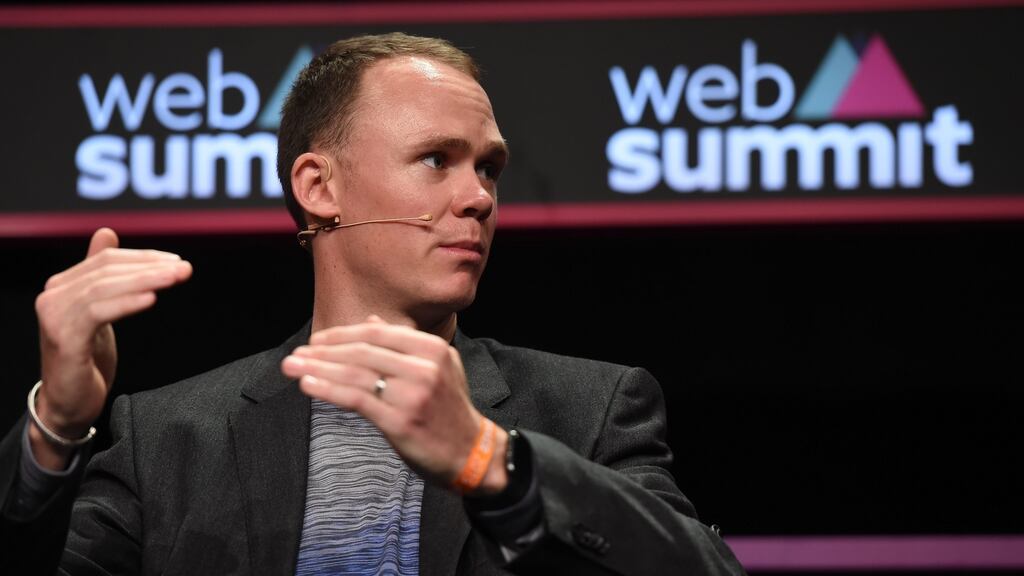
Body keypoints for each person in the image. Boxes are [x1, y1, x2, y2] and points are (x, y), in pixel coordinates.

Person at [0, 33, 746, 575]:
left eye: (489, 169)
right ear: (319, 187)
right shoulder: (167, 438)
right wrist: (56, 428)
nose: (479, 198)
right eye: (437, 160)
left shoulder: (589, 410)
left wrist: (492, 463)